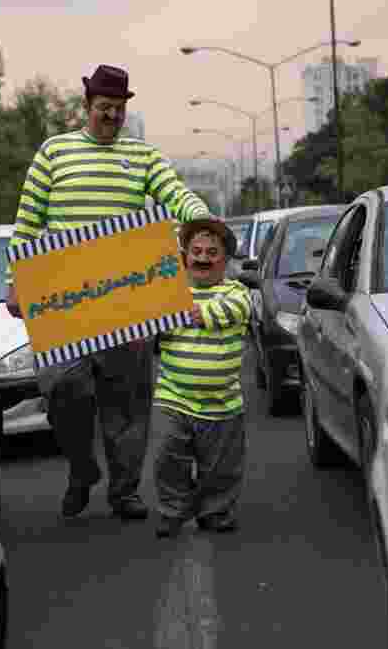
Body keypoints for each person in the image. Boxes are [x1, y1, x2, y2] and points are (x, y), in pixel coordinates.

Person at [5, 64, 212, 521]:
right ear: (88, 107)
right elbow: (28, 219)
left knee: (128, 403)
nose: (112, 117)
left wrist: (201, 222)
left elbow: (175, 193)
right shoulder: (53, 153)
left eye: (118, 110)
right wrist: (15, 281)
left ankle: (124, 490)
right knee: (62, 387)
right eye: (104, 109)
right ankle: (82, 469)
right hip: (63, 293)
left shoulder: (142, 157)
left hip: (128, 293)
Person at [152, 218, 251, 538]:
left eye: (212, 251)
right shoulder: (166, 292)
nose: (204, 257)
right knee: (167, 458)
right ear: (185, 256)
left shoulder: (236, 292)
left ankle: (215, 511)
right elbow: (149, 325)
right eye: (196, 251)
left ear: (225, 260)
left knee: (221, 468)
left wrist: (197, 313)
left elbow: (235, 310)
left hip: (222, 403)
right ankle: (172, 510)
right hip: (173, 396)